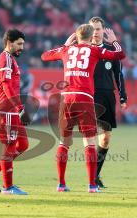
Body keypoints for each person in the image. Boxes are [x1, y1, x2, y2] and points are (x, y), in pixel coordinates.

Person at [41, 24, 125, 193]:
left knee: (64, 142)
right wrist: (114, 41)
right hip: (85, 98)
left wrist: (65, 45)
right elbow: (119, 55)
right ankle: (92, 185)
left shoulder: (66, 50)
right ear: (91, 36)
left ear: (76, 36)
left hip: (67, 99)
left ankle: (61, 184)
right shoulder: (94, 51)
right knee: (89, 143)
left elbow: (44, 56)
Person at [0, 29, 31, 195]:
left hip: (10, 108)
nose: (22, 47)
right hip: (6, 109)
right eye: (19, 44)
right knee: (9, 147)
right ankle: (8, 187)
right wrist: (19, 108)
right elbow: (6, 86)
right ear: (9, 42)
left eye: (23, 44)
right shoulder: (6, 59)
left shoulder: (10, 59)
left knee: (23, 144)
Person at [89, 17, 127, 188]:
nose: (95, 32)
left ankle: (94, 176)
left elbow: (118, 74)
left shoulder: (111, 49)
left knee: (105, 139)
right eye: (93, 29)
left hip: (107, 96)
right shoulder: (83, 49)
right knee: (90, 136)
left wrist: (123, 96)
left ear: (103, 30)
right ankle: (90, 179)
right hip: (90, 95)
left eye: (98, 29)